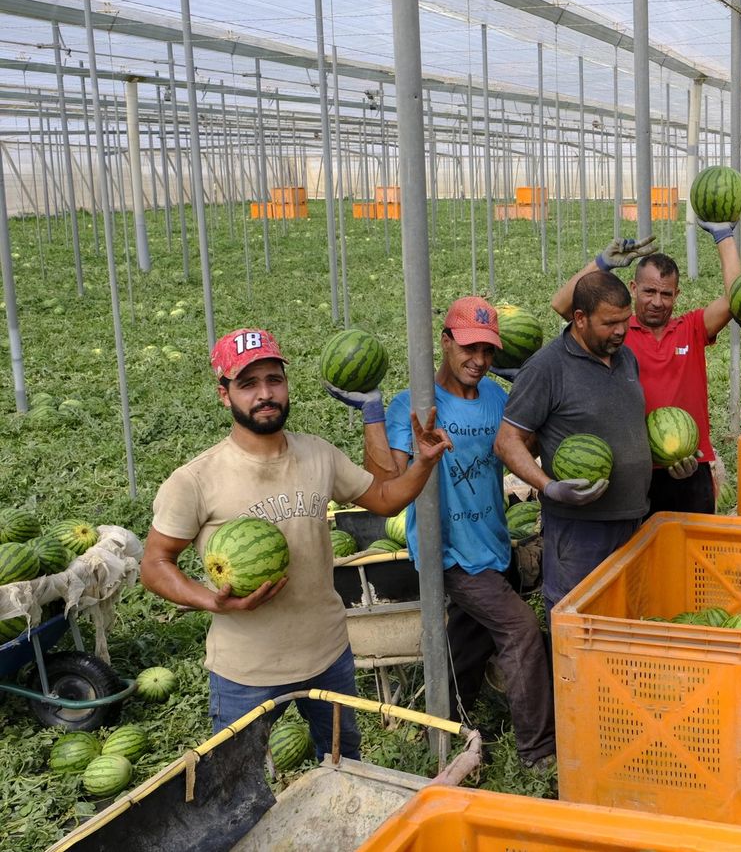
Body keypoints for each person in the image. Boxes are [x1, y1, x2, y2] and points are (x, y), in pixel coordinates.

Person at [142, 327, 451, 763]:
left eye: (274, 380)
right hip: (245, 671)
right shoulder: (195, 479)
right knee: (235, 784)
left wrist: (423, 462)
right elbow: (155, 563)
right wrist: (213, 601)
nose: (265, 394)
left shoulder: (319, 454)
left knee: (345, 766)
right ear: (224, 395)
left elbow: (384, 499)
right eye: (247, 384)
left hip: (328, 655)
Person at [324, 296, 555, 768]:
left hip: (494, 543)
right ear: (445, 342)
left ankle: (445, 716)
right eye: (468, 348)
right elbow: (386, 479)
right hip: (447, 552)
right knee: (521, 629)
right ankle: (540, 751)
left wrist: (528, 391)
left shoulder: (495, 396)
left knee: (469, 640)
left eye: (488, 351)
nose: (479, 361)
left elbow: (519, 445)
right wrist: (372, 411)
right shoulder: (415, 405)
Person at [549, 221, 741, 516]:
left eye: (666, 294)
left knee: (690, 557)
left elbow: (737, 299)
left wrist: (723, 236)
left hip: (690, 464)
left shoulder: (691, 328)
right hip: (633, 468)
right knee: (639, 556)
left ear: (677, 295)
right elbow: (563, 305)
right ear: (633, 288)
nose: (656, 301)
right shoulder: (616, 333)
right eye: (649, 291)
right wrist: (602, 264)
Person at [494, 270, 651, 609]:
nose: (621, 331)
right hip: (580, 530)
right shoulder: (547, 368)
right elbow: (507, 442)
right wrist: (548, 486)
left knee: (624, 616)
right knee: (577, 618)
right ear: (580, 318)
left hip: (632, 521)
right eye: (610, 323)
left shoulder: (626, 358)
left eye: (625, 320)